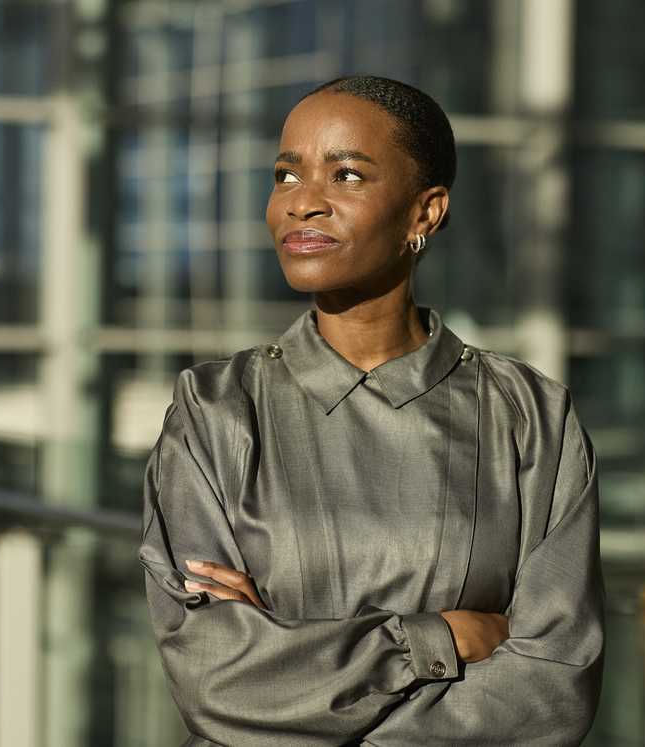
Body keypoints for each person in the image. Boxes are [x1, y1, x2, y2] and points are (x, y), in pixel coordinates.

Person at [138, 74, 604, 746]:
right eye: (285, 174)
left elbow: (553, 685)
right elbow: (217, 678)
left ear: (425, 213)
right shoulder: (215, 410)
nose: (304, 204)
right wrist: (437, 638)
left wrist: (290, 663)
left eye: (347, 175)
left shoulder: (530, 416)